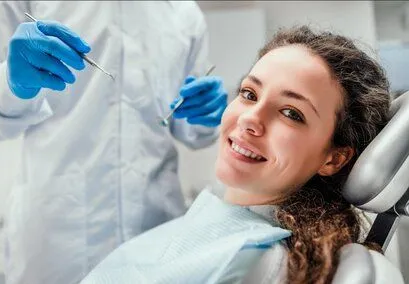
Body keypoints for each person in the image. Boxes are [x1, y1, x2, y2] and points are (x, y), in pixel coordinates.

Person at [80, 25, 399, 284]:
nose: (250, 118)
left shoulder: (246, 260)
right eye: (249, 93)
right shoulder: (221, 231)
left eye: (291, 113)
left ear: (334, 158)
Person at [0, 2, 227, 284]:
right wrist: (10, 84)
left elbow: (186, 126)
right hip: (56, 242)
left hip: (156, 230)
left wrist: (205, 115)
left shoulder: (185, 13)